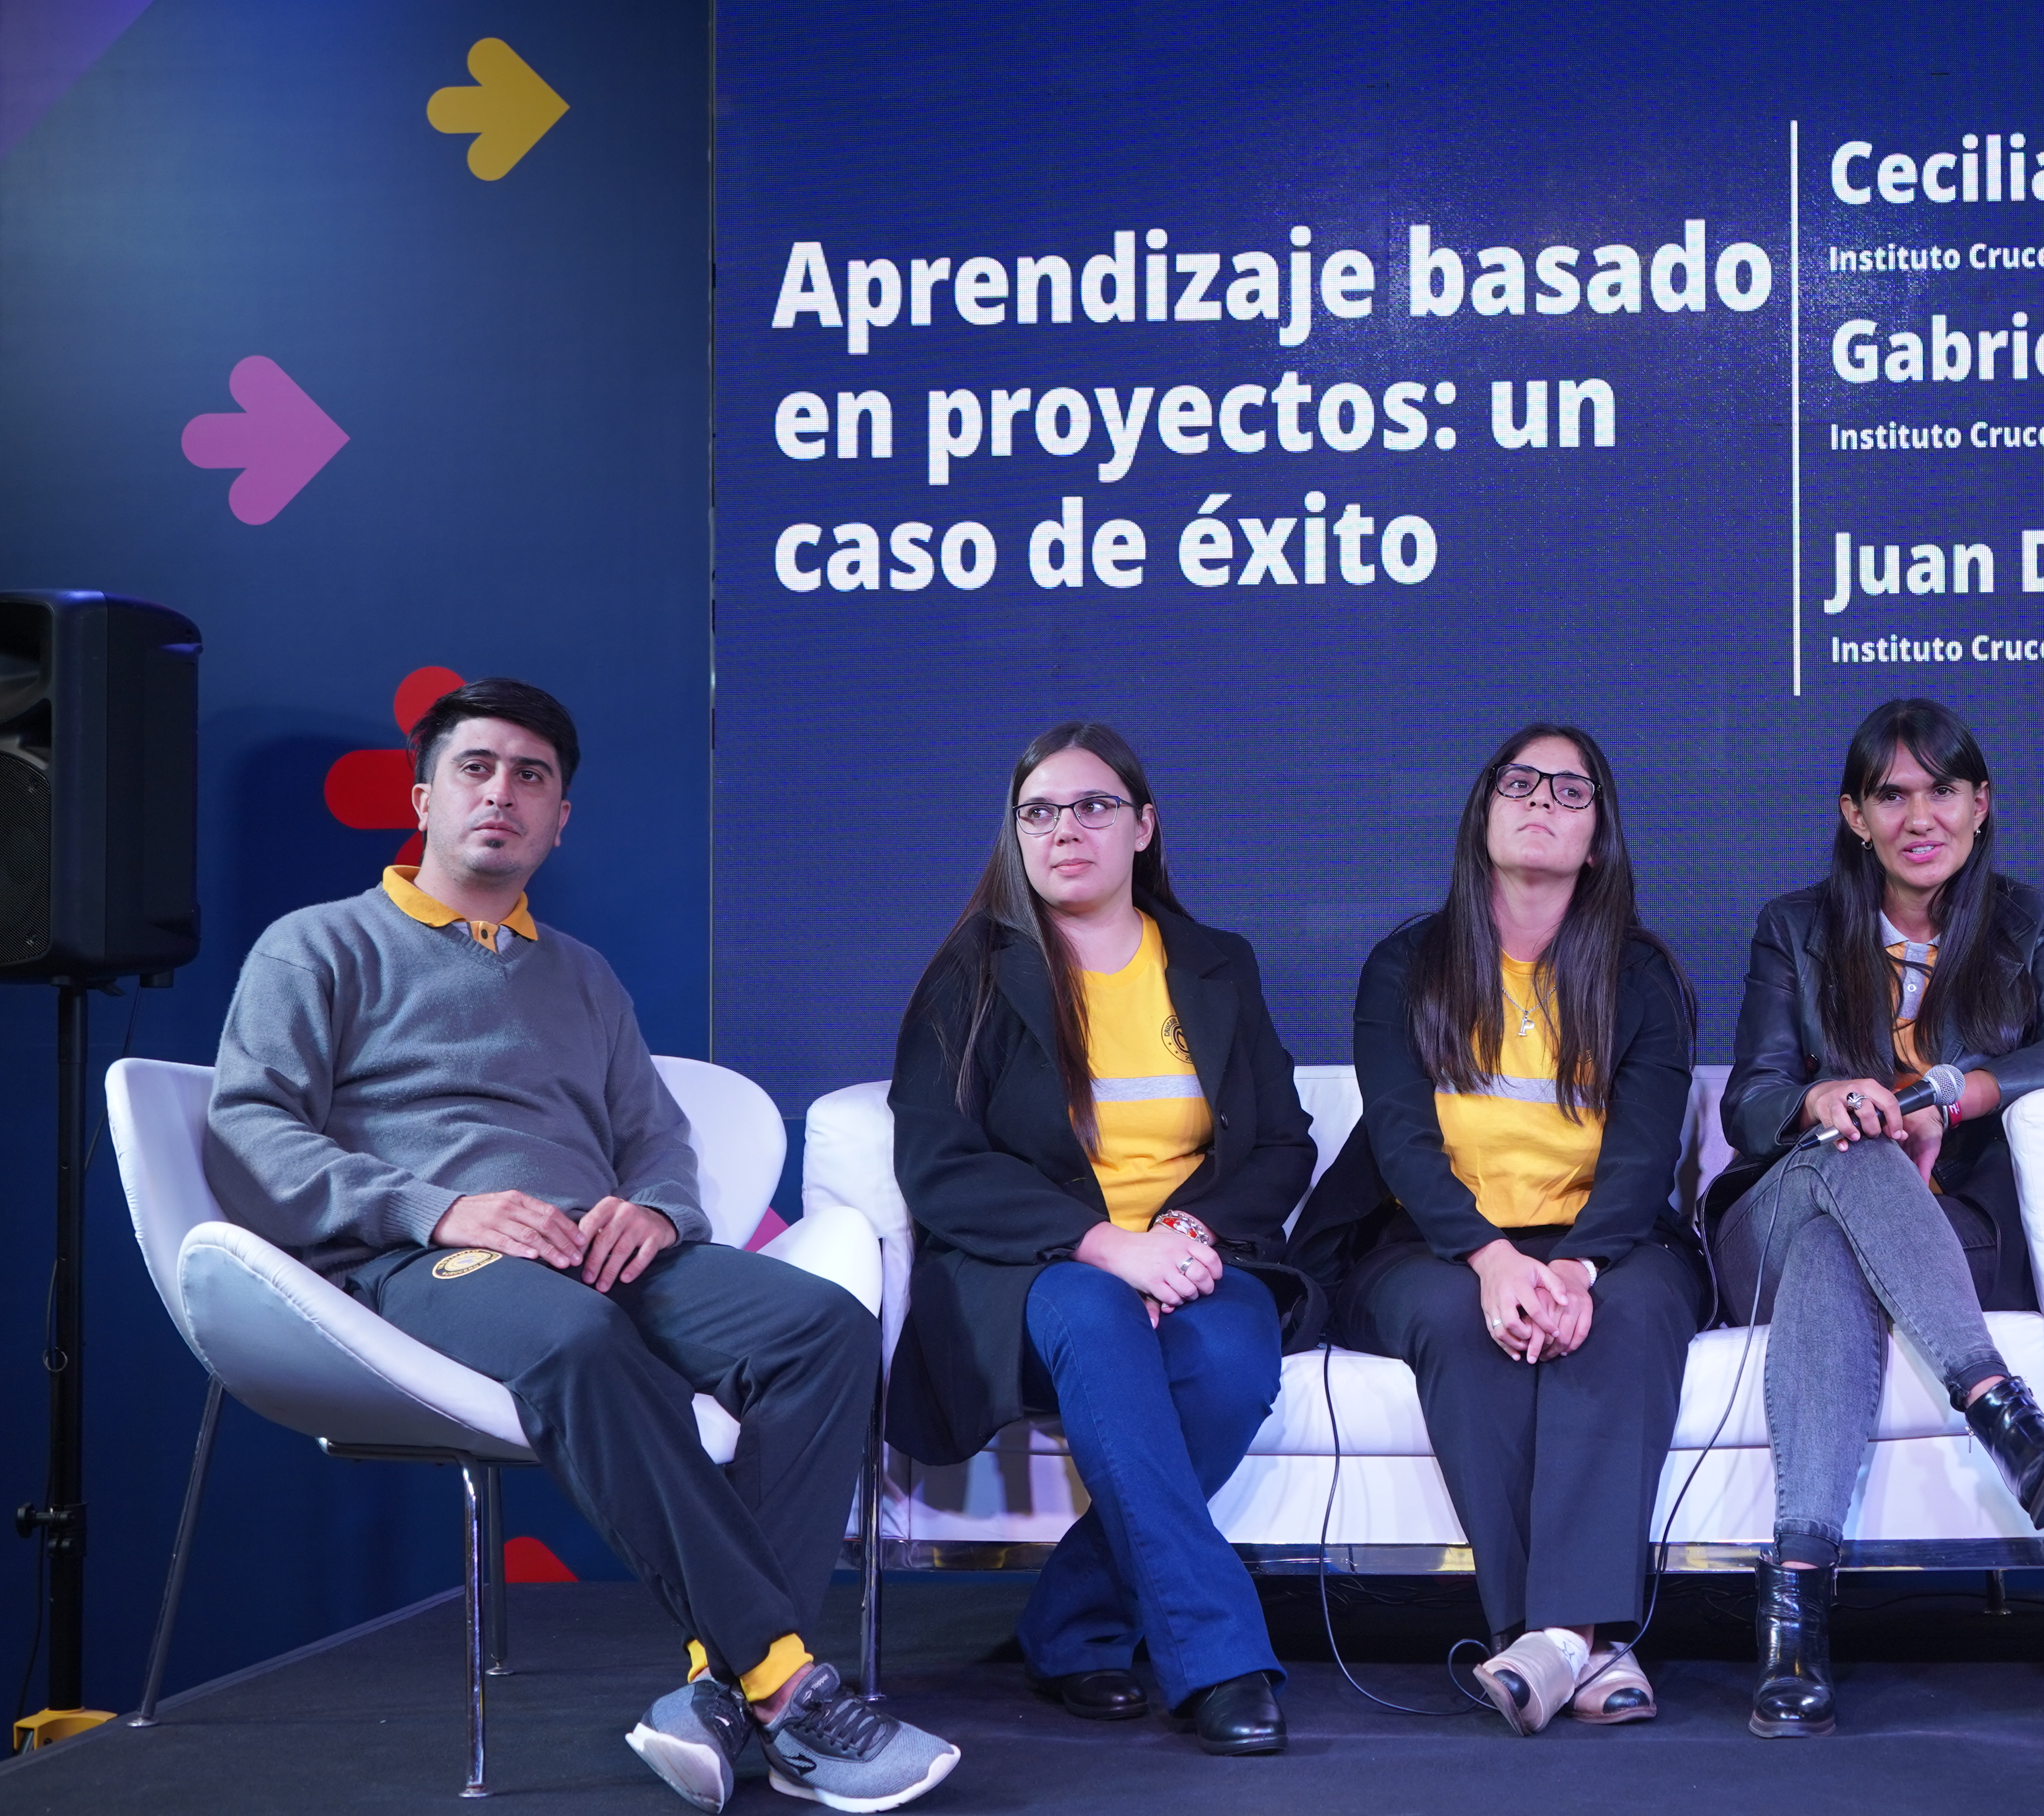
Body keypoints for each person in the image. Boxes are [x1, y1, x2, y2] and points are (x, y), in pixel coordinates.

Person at [206, 678, 957, 1814]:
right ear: (423, 797)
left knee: (821, 1328)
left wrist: (654, 1211)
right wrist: (435, 1209)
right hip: (423, 1260)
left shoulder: (582, 974)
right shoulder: (318, 946)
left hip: (595, 1250)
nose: (500, 793)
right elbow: (251, 1128)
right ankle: (788, 1686)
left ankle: (717, 1683)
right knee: (578, 1338)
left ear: (559, 819)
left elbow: (655, 1137)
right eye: (475, 768)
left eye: (531, 776)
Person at [887, 721, 1316, 1756]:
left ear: (1144, 827)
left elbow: (1281, 1143)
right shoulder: (972, 973)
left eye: (1092, 807)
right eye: (1038, 813)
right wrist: (1107, 1247)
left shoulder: (1215, 965)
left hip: (1193, 1255)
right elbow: (940, 1164)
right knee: (1096, 1315)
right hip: (1037, 1274)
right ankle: (1219, 1661)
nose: (1064, 830)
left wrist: (1185, 1233)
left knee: (1230, 1359)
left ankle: (1075, 1623)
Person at [1702, 697, 2044, 1738]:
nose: (1919, 817)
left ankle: (1795, 1613)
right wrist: (1825, 1097)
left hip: (1943, 1238)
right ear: (1855, 816)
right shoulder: (1796, 928)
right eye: (1892, 796)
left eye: (1943, 791)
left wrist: (1954, 1095)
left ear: (1981, 805)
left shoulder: (2022, 924)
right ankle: (2002, 1413)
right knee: (1856, 1155)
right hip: (1785, 1205)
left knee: (1834, 1257)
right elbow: (1750, 1102)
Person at [1302, 724, 1703, 1735]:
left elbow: (1644, 1156)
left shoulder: (1641, 978)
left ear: (1599, 838)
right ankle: (1583, 1647)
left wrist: (1575, 1270)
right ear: (1482, 812)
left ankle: (1551, 1645)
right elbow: (1400, 1140)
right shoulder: (1407, 966)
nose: (1541, 802)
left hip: (1605, 1240)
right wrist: (1490, 1259)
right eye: (1520, 784)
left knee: (1625, 1317)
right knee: (1461, 1321)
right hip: (1431, 1240)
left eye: (1570, 791)